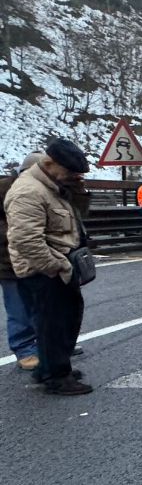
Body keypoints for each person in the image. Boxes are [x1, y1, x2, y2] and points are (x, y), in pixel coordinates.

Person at [5, 139, 93, 395]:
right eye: (69, 171)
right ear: (49, 163)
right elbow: (26, 241)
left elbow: (76, 218)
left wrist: (76, 189)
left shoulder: (53, 186)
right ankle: (56, 377)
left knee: (63, 319)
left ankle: (51, 367)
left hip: (58, 265)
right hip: (45, 271)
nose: (72, 176)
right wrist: (58, 267)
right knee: (53, 323)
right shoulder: (29, 192)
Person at [1, 152, 45, 371]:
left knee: (44, 304)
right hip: (8, 260)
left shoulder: (43, 189)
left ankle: (47, 344)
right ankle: (25, 348)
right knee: (18, 307)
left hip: (37, 257)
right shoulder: (7, 190)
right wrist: (17, 234)